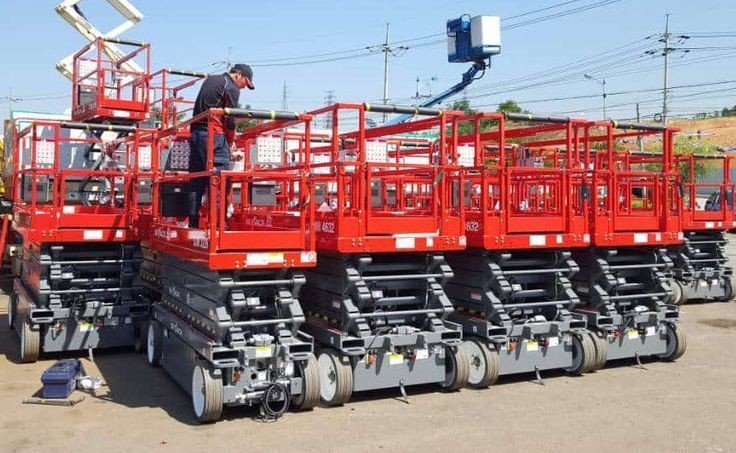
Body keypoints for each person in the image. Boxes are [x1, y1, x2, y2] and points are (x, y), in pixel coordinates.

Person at [188, 64, 255, 228]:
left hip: (196, 134)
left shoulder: (211, 80)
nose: (243, 88)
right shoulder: (231, 87)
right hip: (214, 136)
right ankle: (218, 226)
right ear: (239, 75)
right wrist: (231, 141)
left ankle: (193, 223)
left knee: (196, 180)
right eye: (245, 83)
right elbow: (230, 119)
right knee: (219, 180)